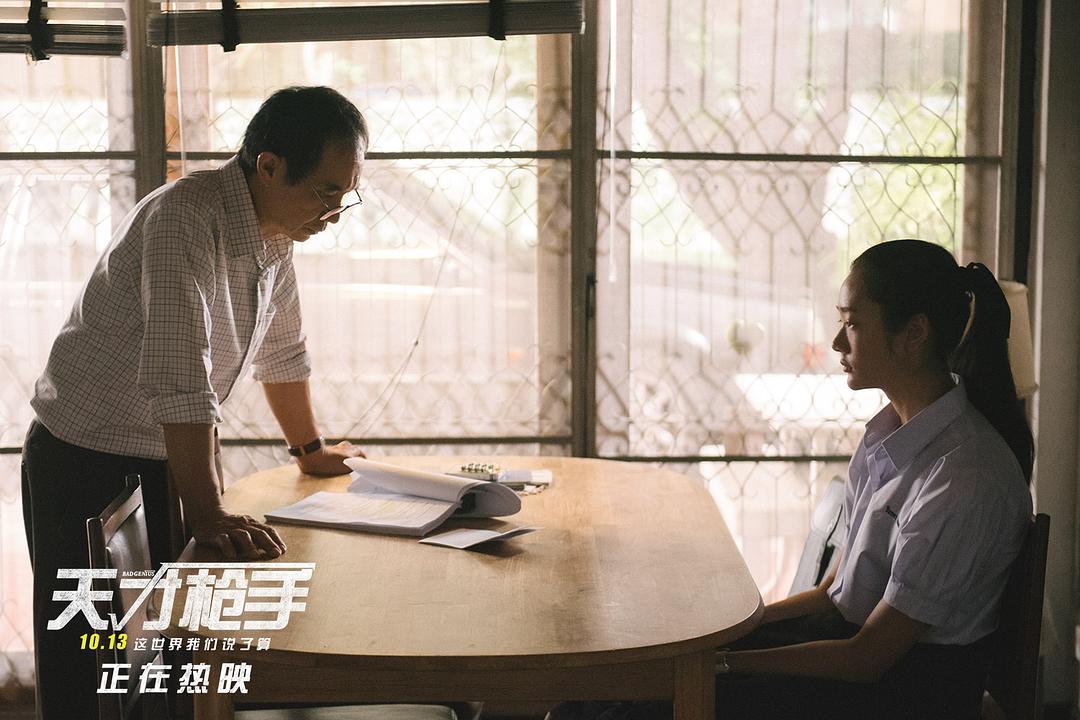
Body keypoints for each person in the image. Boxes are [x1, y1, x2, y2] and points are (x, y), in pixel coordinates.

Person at [551, 239, 1034, 720]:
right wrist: (723, 634)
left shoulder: (963, 477)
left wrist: (718, 665)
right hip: (848, 653)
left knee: (637, 706)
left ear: (914, 334)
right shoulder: (888, 437)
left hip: (895, 693)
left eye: (852, 323)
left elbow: (868, 658)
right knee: (615, 682)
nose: (837, 342)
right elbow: (832, 595)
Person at [21, 85, 369, 720]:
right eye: (326, 192)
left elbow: (282, 352)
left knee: (172, 655)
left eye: (347, 194)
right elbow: (181, 377)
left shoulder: (274, 233)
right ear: (268, 166)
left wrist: (310, 451)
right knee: (91, 665)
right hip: (84, 461)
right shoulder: (186, 217)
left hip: (161, 451)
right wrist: (207, 512)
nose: (336, 212)